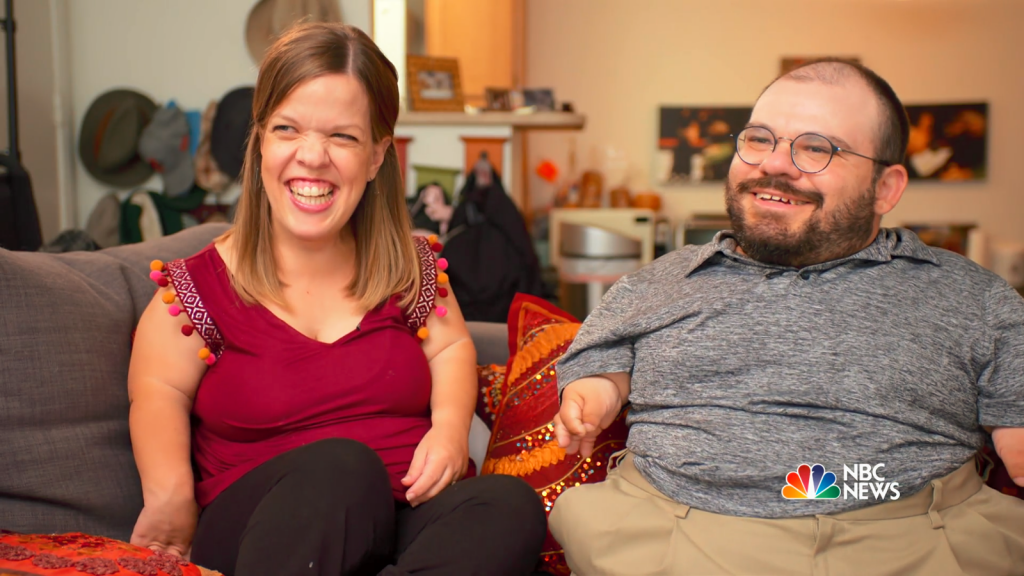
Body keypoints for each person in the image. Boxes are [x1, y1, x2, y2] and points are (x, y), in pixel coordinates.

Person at [549, 59, 1024, 575]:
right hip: (670, 532)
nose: (775, 166)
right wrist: (594, 392)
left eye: (817, 148)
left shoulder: (975, 298)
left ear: (886, 187)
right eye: (759, 139)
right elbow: (601, 365)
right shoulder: (654, 284)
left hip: (913, 542)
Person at [126, 22, 546, 576]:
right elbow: (156, 393)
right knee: (344, 468)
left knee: (508, 506)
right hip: (267, 538)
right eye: (288, 129)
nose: (312, 157)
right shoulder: (191, 291)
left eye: (342, 137)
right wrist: (170, 497)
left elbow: (451, 351)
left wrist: (447, 431)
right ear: (261, 143)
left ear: (377, 157)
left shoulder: (411, 268)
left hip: (405, 525)